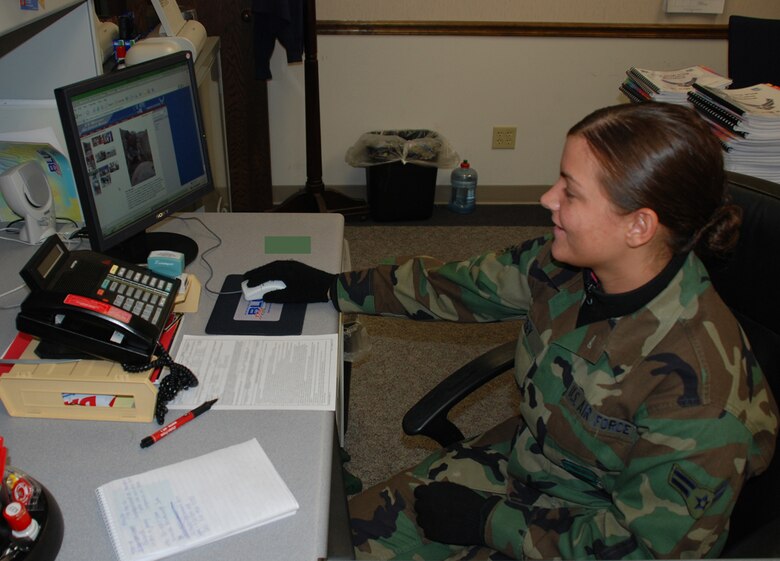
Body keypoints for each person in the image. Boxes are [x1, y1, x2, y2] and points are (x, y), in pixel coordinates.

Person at [244, 102, 778, 559]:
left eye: (570, 192)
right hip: (526, 463)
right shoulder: (571, 266)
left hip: (586, 531)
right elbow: (455, 286)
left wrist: (488, 524)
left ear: (639, 225)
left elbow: (646, 550)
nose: (547, 199)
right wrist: (332, 287)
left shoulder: (700, 396)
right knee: (324, 541)